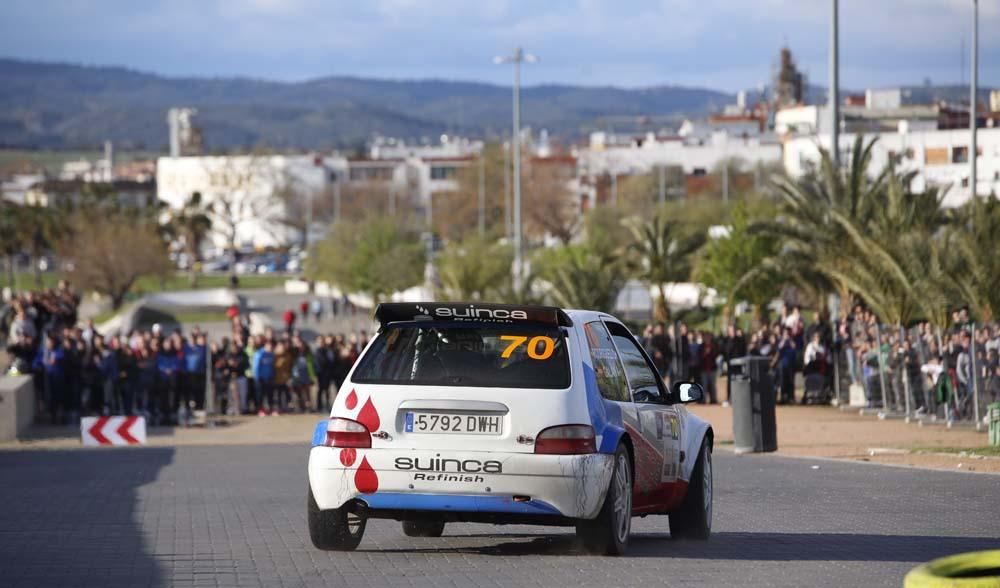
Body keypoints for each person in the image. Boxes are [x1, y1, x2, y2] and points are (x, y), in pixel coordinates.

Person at [252, 340, 276, 416]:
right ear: (265, 346)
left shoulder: (271, 354)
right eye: (268, 346)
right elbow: (256, 366)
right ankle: (260, 410)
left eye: (271, 346)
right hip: (260, 378)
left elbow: (272, 366)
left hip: (269, 377)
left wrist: (272, 375)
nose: (270, 348)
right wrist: (256, 377)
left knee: (270, 394)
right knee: (260, 395)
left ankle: (270, 409)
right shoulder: (259, 354)